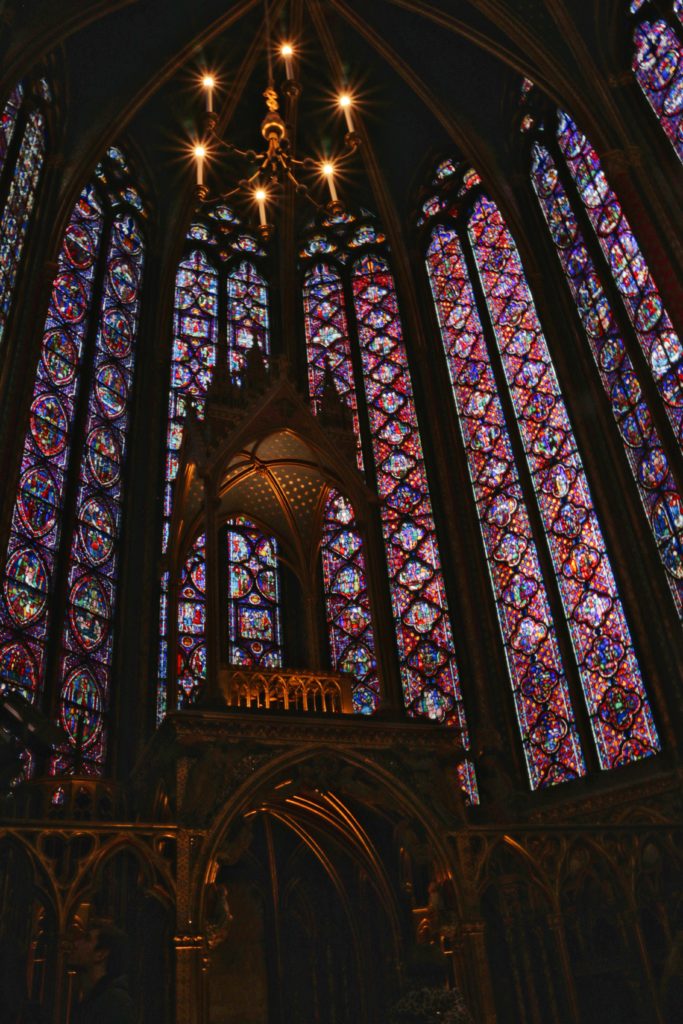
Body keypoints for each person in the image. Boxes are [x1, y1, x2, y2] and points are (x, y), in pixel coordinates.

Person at [67, 918, 135, 1024]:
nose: (76, 943)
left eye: (87, 939)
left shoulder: (115, 1003)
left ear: (100, 954)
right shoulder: (95, 998)